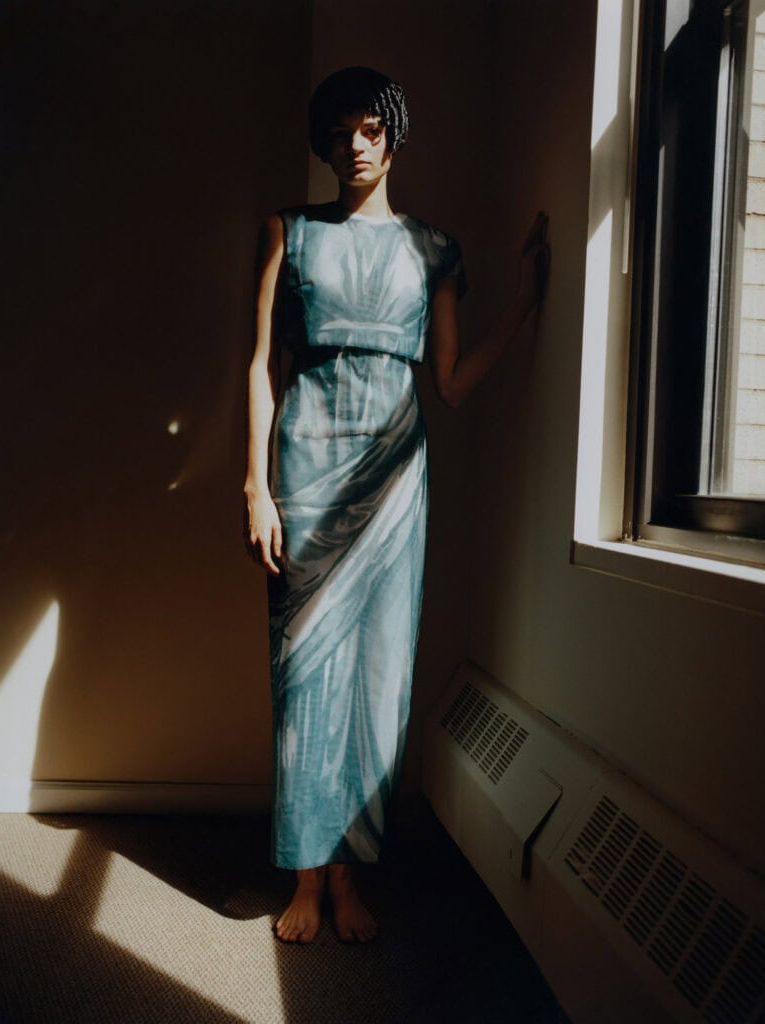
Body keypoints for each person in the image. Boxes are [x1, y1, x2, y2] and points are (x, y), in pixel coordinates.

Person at [244, 66, 549, 945]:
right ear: (322, 145)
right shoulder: (289, 232)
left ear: (393, 133)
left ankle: (347, 879)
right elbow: (264, 367)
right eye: (338, 133)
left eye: (369, 128)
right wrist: (255, 486)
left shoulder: (433, 249)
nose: (354, 146)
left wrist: (523, 304)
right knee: (304, 678)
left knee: (380, 679)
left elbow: (447, 383)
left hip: (394, 479)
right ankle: (303, 875)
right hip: (305, 466)